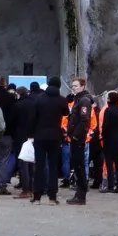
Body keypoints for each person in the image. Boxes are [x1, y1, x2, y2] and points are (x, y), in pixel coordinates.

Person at [30, 76, 70, 205]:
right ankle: (52, 196)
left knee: (39, 166)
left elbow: (33, 118)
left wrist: (31, 134)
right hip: (55, 137)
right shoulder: (62, 100)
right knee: (53, 167)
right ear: (59, 86)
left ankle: (37, 196)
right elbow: (66, 113)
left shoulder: (39, 99)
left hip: (40, 136)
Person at [66, 78, 95, 204]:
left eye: (76, 86)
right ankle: (79, 193)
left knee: (79, 166)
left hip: (78, 138)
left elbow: (84, 120)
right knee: (78, 166)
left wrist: (76, 135)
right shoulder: (78, 99)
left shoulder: (84, 100)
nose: (73, 88)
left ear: (83, 86)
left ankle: (81, 194)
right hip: (75, 137)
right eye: (73, 86)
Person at [100, 91, 118, 194]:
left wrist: (103, 136)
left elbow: (105, 126)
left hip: (109, 140)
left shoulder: (108, 110)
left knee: (109, 164)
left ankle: (110, 185)